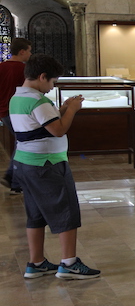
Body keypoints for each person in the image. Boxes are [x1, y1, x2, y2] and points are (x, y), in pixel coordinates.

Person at [11, 53, 101, 280]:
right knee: (65, 210)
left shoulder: (18, 97)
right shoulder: (38, 100)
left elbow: (40, 125)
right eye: (52, 81)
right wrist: (72, 110)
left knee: (36, 214)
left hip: (25, 163)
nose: (52, 87)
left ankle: (36, 262)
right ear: (42, 77)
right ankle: (69, 263)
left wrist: (62, 109)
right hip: (47, 164)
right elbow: (58, 130)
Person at [1, 37, 32, 193]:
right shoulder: (23, 70)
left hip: (4, 112)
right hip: (17, 111)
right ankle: (13, 179)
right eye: (29, 51)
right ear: (22, 52)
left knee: (21, 142)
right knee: (23, 143)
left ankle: (13, 179)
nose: (30, 54)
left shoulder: (1, 67)